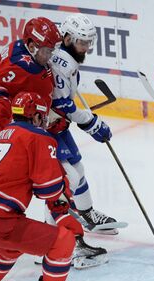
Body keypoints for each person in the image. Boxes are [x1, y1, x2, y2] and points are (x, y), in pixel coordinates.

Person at [0, 92, 83, 281]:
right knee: (63, 241)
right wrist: (62, 198)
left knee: (13, 243)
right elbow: (47, 189)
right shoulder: (41, 138)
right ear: (38, 117)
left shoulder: (4, 133)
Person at [48, 13, 120, 235]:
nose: (86, 47)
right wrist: (91, 122)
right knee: (62, 180)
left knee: (77, 168)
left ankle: (87, 213)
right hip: (44, 127)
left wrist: (87, 121)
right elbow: (63, 105)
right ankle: (52, 238)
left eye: (89, 42)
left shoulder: (64, 57)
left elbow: (65, 102)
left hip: (55, 124)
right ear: (68, 38)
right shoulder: (63, 62)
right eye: (82, 42)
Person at [0, 17, 60, 151]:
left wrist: (45, 115)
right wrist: (11, 125)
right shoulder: (17, 66)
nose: (49, 56)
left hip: (17, 128)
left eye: (51, 51)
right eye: (47, 51)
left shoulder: (27, 51)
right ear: (32, 46)